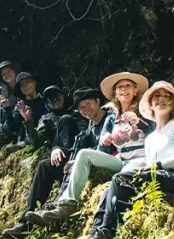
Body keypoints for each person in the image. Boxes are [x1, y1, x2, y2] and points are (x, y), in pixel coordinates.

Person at [54, 81, 174, 239]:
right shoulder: (150, 139)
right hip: (162, 177)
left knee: (121, 179)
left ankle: (105, 238)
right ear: (150, 104)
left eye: (167, 97)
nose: (162, 100)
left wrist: (159, 165)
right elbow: (147, 165)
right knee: (110, 190)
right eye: (157, 97)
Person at [25, 72, 153, 225]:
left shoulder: (144, 111)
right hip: (121, 160)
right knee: (83, 154)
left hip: (140, 159)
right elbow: (101, 147)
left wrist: (138, 122)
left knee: (119, 181)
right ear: (115, 94)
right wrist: (104, 141)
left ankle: (103, 227)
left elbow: (157, 130)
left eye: (127, 86)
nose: (123, 90)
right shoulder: (112, 118)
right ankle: (67, 204)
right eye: (119, 87)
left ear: (135, 91)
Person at [2, 87, 108, 239]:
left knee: (66, 120)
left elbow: (94, 143)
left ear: (98, 102)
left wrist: (75, 156)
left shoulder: (90, 118)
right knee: (45, 166)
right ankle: (26, 222)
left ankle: (60, 204)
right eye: (50, 99)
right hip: (68, 155)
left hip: (88, 158)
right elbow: (37, 142)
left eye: (57, 96)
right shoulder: (47, 118)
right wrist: (30, 122)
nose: (55, 100)